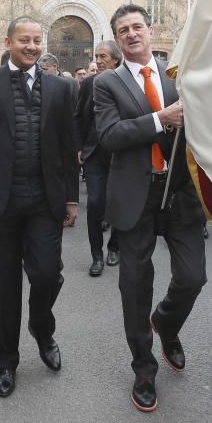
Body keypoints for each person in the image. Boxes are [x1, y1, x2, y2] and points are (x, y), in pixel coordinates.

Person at [0, 16, 79, 398]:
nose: (32, 46)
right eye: (24, 40)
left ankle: (42, 328)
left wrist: (71, 196)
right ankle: (6, 361)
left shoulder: (60, 88)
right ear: (8, 42)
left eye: (38, 40)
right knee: (3, 286)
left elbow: (67, 147)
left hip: (45, 201)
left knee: (46, 274)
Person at [94, 4, 206, 413]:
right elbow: (108, 135)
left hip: (178, 195)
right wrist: (161, 118)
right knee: (134, 288)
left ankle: (167, 324)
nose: (131, 34)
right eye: (122, 30)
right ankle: (143, 369)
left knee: (193, 277)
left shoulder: (180, 76)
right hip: (134, 198)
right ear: (117, 38)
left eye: (137, 26)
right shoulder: (107, 83)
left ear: (150, 30)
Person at [74, 40, 121, 276]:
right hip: (94, 154)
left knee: (119, 203)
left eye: (103, 56)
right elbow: (79, 116)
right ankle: (96, 255)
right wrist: (79, 147)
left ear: (116, 59)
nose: (98, 60)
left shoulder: (127, 82)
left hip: (121, 156)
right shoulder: (89, 83)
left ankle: (115, 247)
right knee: (94, 204)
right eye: (96, 56)